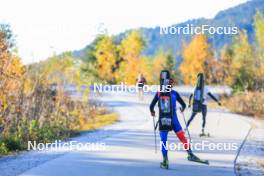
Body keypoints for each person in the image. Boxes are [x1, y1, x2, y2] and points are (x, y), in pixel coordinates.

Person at [149, 70, 200, 169]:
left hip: (163, 119)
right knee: (181, 136)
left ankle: (165, 161)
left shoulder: (159, 93)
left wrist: (153, 112)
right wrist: (182, 109)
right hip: (174, 120)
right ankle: (190, 154)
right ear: (170, 84)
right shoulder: (175, 93)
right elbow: (184, 105)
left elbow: (151, 106)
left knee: (164, 141)